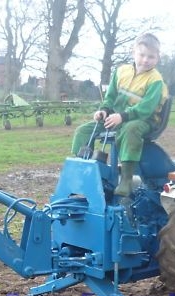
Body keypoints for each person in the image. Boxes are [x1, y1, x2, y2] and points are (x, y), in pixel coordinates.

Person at [71, 32, 168, 200]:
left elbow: (146, 108)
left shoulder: (156, 80)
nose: (145, 60)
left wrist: (123, 116)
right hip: (117, 117)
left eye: (151, 57)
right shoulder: (121, 71)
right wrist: (104, 110)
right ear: (133, 52)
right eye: (142, 55)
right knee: (83, 131)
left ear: (157, 58)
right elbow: (110, 97)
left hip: (144, 120)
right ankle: (85, 175)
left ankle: (126, 179)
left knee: (130, 130)